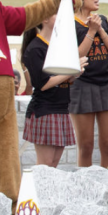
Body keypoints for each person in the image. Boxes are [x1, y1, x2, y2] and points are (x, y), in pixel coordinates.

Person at [69, 0, 108, 168]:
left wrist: (100, 29)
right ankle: (85, 190)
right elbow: (76, 57)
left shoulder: (102, 20)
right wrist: (91, 31)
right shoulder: (70, 24)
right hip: (83, 86)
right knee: (86, 146)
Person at [21, 15, 84, 168]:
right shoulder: (35, 48)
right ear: (44, 19)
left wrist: (75, 74)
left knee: (54, 163)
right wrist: (71, 70)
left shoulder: (57, 45)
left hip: (61, 107)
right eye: (56, 13)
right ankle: (34, 192)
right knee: (45, 165)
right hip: (45, 110)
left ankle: (46, 192)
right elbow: (43, 84)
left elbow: (61, 79)